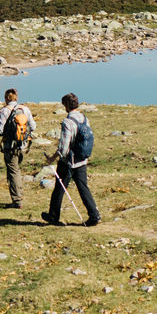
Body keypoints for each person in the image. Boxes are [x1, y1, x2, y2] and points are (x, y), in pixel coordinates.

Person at [43, 92, 99, 226]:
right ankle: (94, 215)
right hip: (82, 160)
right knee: (83, 187)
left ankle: (53, 216)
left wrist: (52, 158)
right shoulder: (84, 118)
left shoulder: (68, 122)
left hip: (68, 162)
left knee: (59, 188)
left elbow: (63, 147)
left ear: (66, 106)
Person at [0, 88, 35, 209]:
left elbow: (0, 131)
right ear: (16, 97)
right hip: (22, 145)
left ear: (7, 98)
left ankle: (17, 201)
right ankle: (19, 195)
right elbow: (32, 127)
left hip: (10, 147)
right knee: (16, 170)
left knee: (13, 172)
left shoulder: (4, 111)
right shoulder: (25, 109)